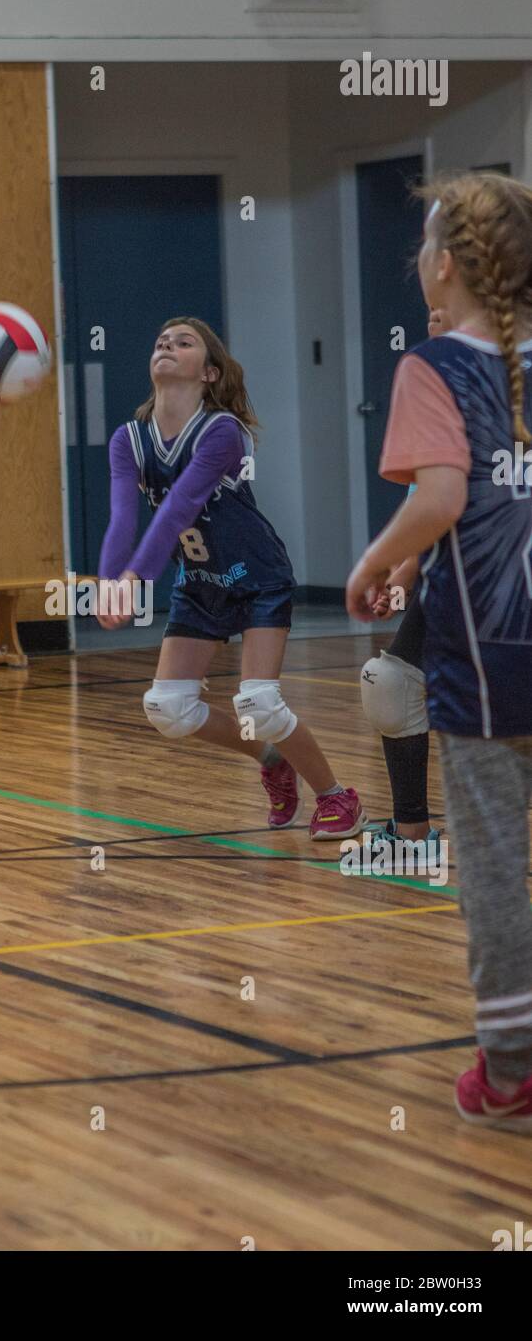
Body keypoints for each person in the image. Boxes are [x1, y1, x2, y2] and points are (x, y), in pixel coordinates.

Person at [347, 173, 532, 1128]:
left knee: (497, 861)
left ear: (445, 263)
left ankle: (510, 1073)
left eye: (422, 243)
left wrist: (379, 559)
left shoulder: (435, 366)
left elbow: (447, 498)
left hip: (493, 656)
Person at [99, 316, 366, 840]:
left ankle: (338, 797)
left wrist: (138, 576)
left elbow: (178, 508)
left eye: (183, 342)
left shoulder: (222, 431)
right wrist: (111, 579)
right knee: (168, 709)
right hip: (200, 585)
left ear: (210, 372)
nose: (167, 346)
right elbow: (122, 518)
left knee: (259, 702)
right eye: (160, 341)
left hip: (256, 577)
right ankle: (272, 759)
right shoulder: (129, 439)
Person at [359, 309, 448, 859]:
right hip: (456, 570)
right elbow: (429, 500)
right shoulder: (432, 378)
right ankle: (412, 834)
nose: (436, 313)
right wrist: (396, 571)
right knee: (391, 684)